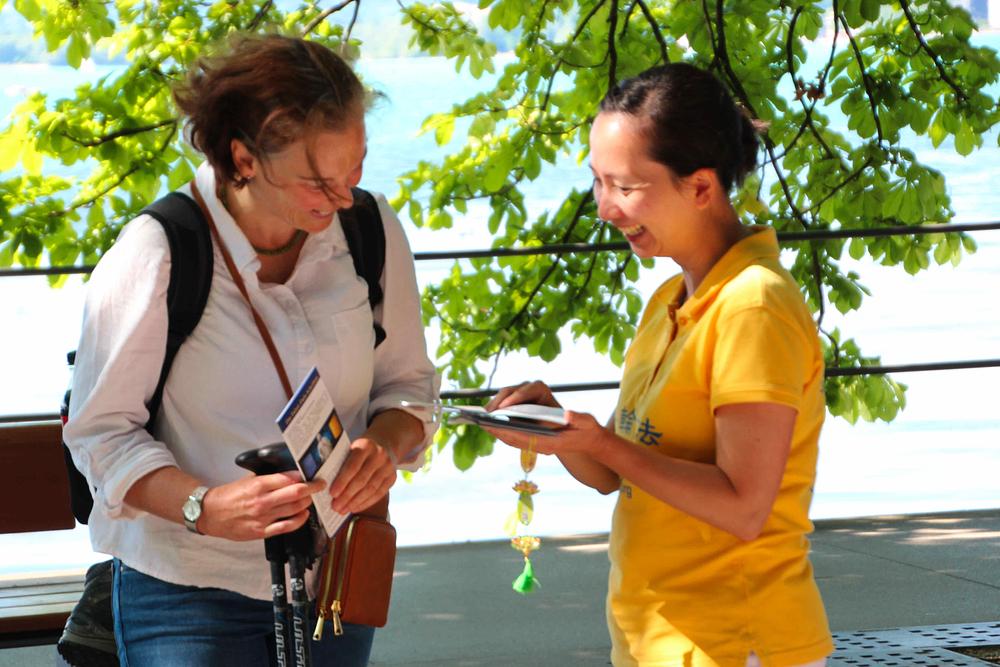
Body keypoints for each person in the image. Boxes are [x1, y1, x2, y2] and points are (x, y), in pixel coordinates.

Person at [63, 34, 439, 666]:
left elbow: (408, 386)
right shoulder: (157, 252)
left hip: (333, 582)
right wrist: (201, 506)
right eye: (318, 181)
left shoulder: (370, 230)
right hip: (186, 589)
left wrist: (387, 443)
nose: (345, 196)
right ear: (242, 159)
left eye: (357, 168)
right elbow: (100, 434)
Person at [485, 63, 833, 667]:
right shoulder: (669, 300)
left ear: (701, 187)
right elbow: (614, 474)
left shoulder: (753, 304)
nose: (604, 208)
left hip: (735, 640)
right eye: (597, 181)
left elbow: (743, 506)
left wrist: (606, 444)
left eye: (623, 186)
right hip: (656, 639)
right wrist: (560, 429)